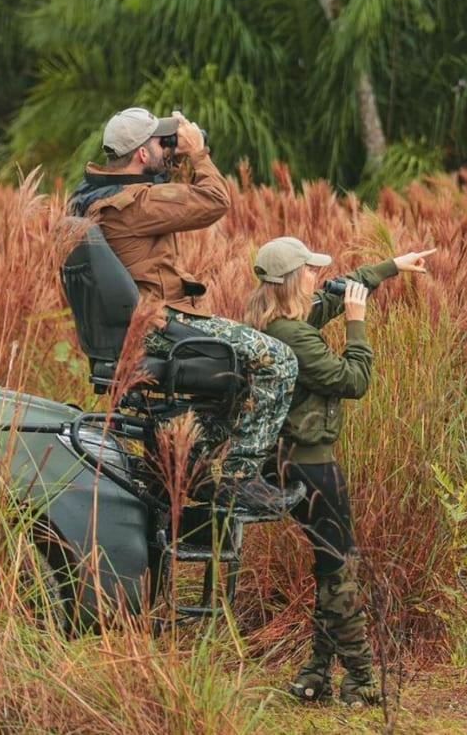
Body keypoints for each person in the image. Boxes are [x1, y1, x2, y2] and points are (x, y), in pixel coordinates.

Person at [67, 107, 301, 514]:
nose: (168, 149)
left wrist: (169, 160)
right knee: (278, 361)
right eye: (161, 143)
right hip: (158, 323)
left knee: (237, 377)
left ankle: (183, 462)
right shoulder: (136, 204)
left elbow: (161, 196)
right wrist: (197, 153)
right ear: (141, 154)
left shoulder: (93, 197)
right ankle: (239, 479)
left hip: (135, 328)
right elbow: (214, 201)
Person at [244, 235, 434, 706]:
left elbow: (337, 288)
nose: (316, 275)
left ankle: (315, 672)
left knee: (328, 565)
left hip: (282, 460)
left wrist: (391, 266)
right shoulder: (297, 338)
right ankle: (361, 678)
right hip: (311, 467)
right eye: (308, 269)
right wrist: (356, 324)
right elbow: (354, 380)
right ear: (291, 281)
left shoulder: (270, 321)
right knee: (339, 566)